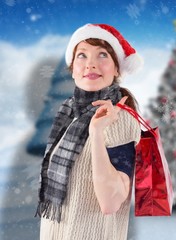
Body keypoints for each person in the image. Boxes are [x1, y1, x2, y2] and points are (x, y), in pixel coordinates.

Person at [35, 23, 143, 240]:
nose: (91, 64)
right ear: (72, 69)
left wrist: (96, 134)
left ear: (117, 69)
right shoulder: (68, 113)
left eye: (102, 54)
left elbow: (111, 202)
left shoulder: (119, 119)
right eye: (82, 55)